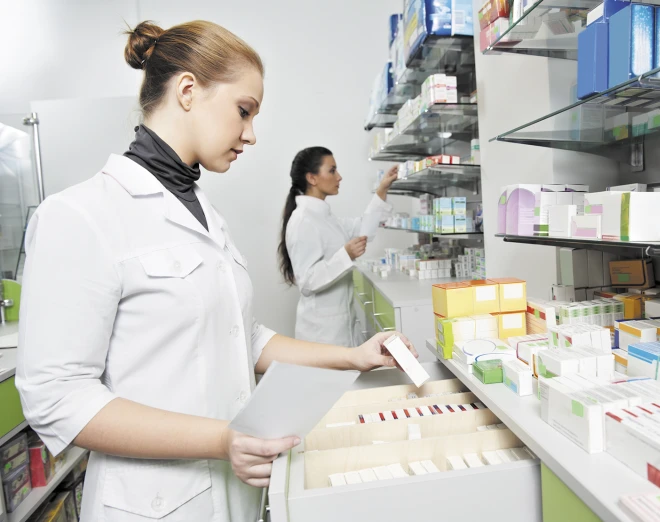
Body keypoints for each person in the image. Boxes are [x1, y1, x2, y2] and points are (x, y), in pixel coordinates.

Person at [15, 20, 416, 522]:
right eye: (244, 111)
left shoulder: (203, 213)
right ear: (188, 90)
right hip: (154, 504)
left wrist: (353, 357)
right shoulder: (79, 215)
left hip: (235, 495)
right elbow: (57, 397)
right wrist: (221, 438)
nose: (251, 134)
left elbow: (243, 337)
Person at [278, 148, 398, 346]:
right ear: (312, 178)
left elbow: (362, 228)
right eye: (332, 170)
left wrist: (382, 189)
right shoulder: (303, 221)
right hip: (321, 332)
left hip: (340, 325)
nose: (339, 177)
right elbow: (307, 282)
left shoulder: (325, 217)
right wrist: (346, 255)